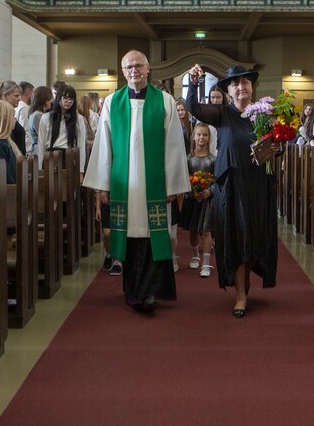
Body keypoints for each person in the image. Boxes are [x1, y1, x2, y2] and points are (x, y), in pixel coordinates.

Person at [84, 50, 189, 313]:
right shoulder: (113, 102)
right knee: (130, 238)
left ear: (148, 68)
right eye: (129, 67)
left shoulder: (164, 101)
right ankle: (133, 292)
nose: (134, 71)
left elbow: (174, 145)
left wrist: (173, 185)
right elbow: (104, 144)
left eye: (139, 66)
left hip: (155, 184)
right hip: (124, 185)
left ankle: (150, 292)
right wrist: (102, 184)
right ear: (123, 72)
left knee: (154, 235)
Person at [186, 63, 280, 318]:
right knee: (235, 238)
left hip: (257, 184)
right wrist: (193, 84)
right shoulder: (222, 113)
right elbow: (194, 108)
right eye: (235, 84)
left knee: (255, 236)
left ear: (252, 87)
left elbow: (275, 146)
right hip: (230, 185)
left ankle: (245, 277)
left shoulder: (263, 114)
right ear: (228, 90)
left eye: (245, 82)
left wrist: (274, 147)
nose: (241, 87)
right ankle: (240, 294)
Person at [179, 122, 216, 278]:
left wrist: (210, 191)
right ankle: (195, 255)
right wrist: (191, 192)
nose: (202, 137)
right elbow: (183, 179)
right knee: (193, 230)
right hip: (192, 198)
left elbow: (217, 180)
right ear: (193, 137)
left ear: (209, 138)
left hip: (208, 200)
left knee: (206, 231)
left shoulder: (213, 159)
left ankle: (206, 263)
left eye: (205, 135)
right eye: (199, 134)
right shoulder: (188, 159)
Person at [37, 84, 87, 172]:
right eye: (65, 98)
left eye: (71, 99)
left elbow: (81, 145)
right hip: (50, 156)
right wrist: (39, 169)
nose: (69, 101)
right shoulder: (46, 117)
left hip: (70, 156)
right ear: (59, 98)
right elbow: (41, 145)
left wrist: (81, 170)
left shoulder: (78, 119)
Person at [0, 80, 28, 155]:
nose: (19, 99)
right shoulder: (1, 116)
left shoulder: (10, 114)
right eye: (16, 96)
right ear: (5, 96)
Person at [27, 85, 52, 155]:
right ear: (43, 100)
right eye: (48, 99)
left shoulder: (36, 113)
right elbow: (45, 136)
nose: (50, 101)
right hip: (40, 150)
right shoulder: (38, 115)